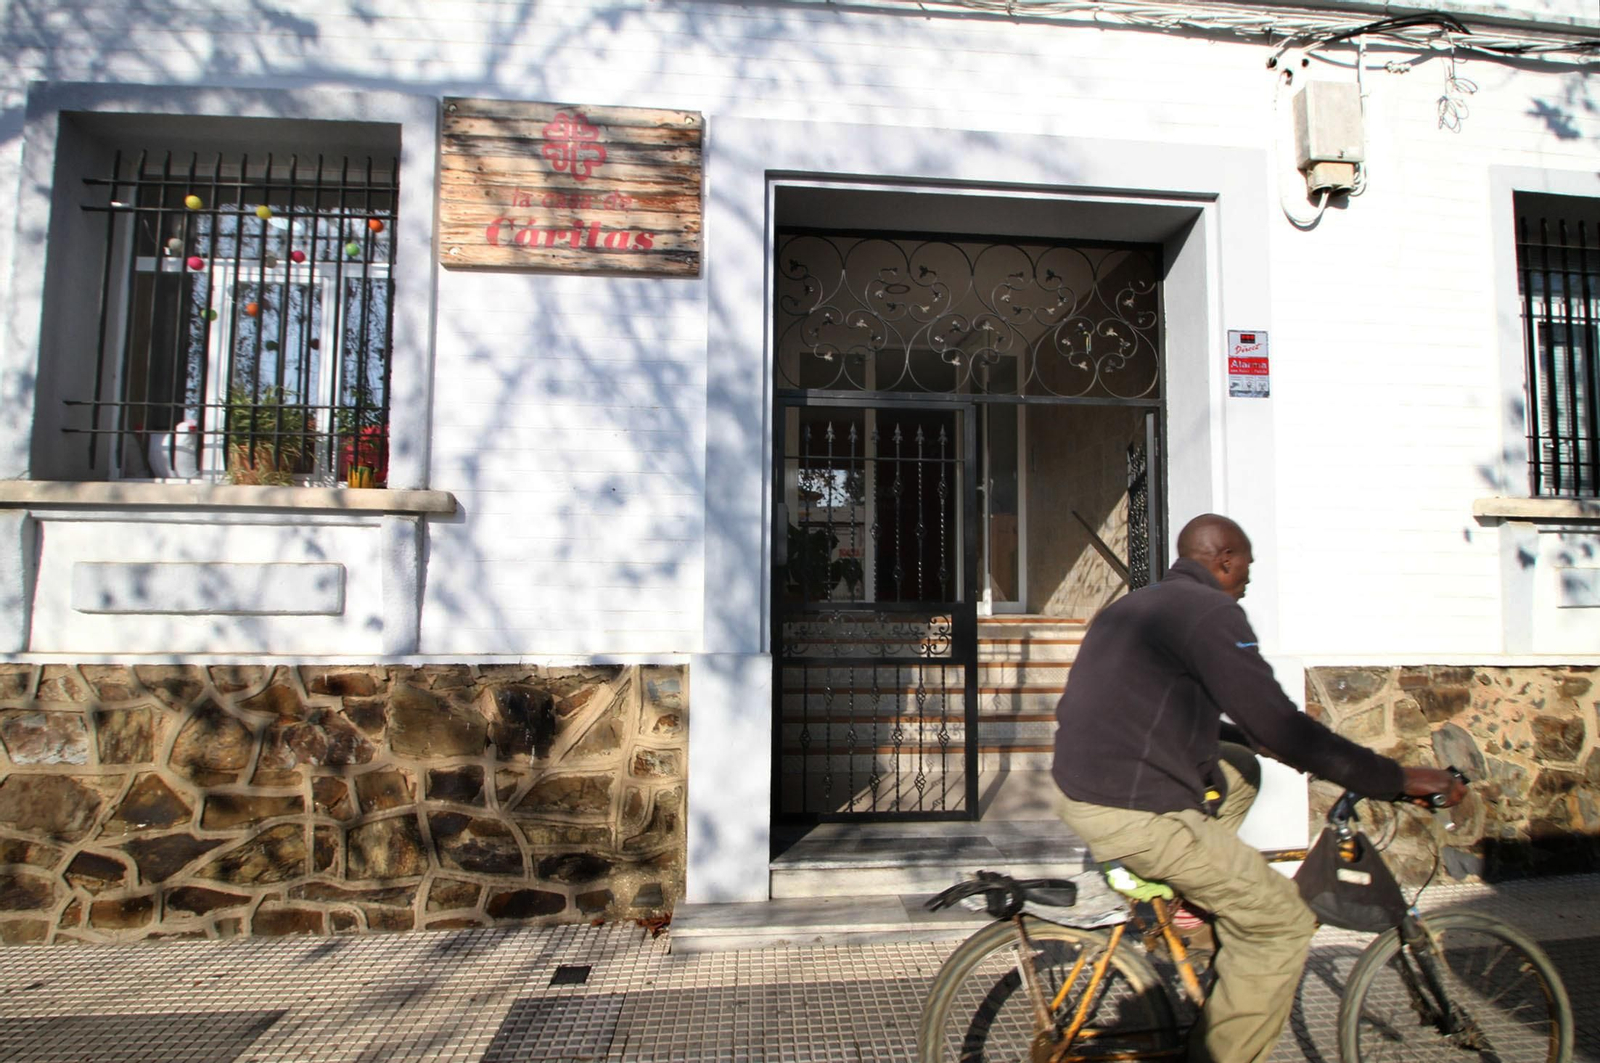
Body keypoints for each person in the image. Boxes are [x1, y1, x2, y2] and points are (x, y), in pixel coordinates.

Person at [1053, 513, 1466, 1063]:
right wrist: (1395, 778)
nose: (1251, 573)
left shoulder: (1133, 607)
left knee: (1241, 765)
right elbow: (1281, 723)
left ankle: (1187, 899)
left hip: (1087, 788)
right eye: (1247, 561)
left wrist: (1269, 745)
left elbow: (1180, 713)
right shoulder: (1213, 613)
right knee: (1281, 923)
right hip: (1137, 812)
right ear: (1224, 559)